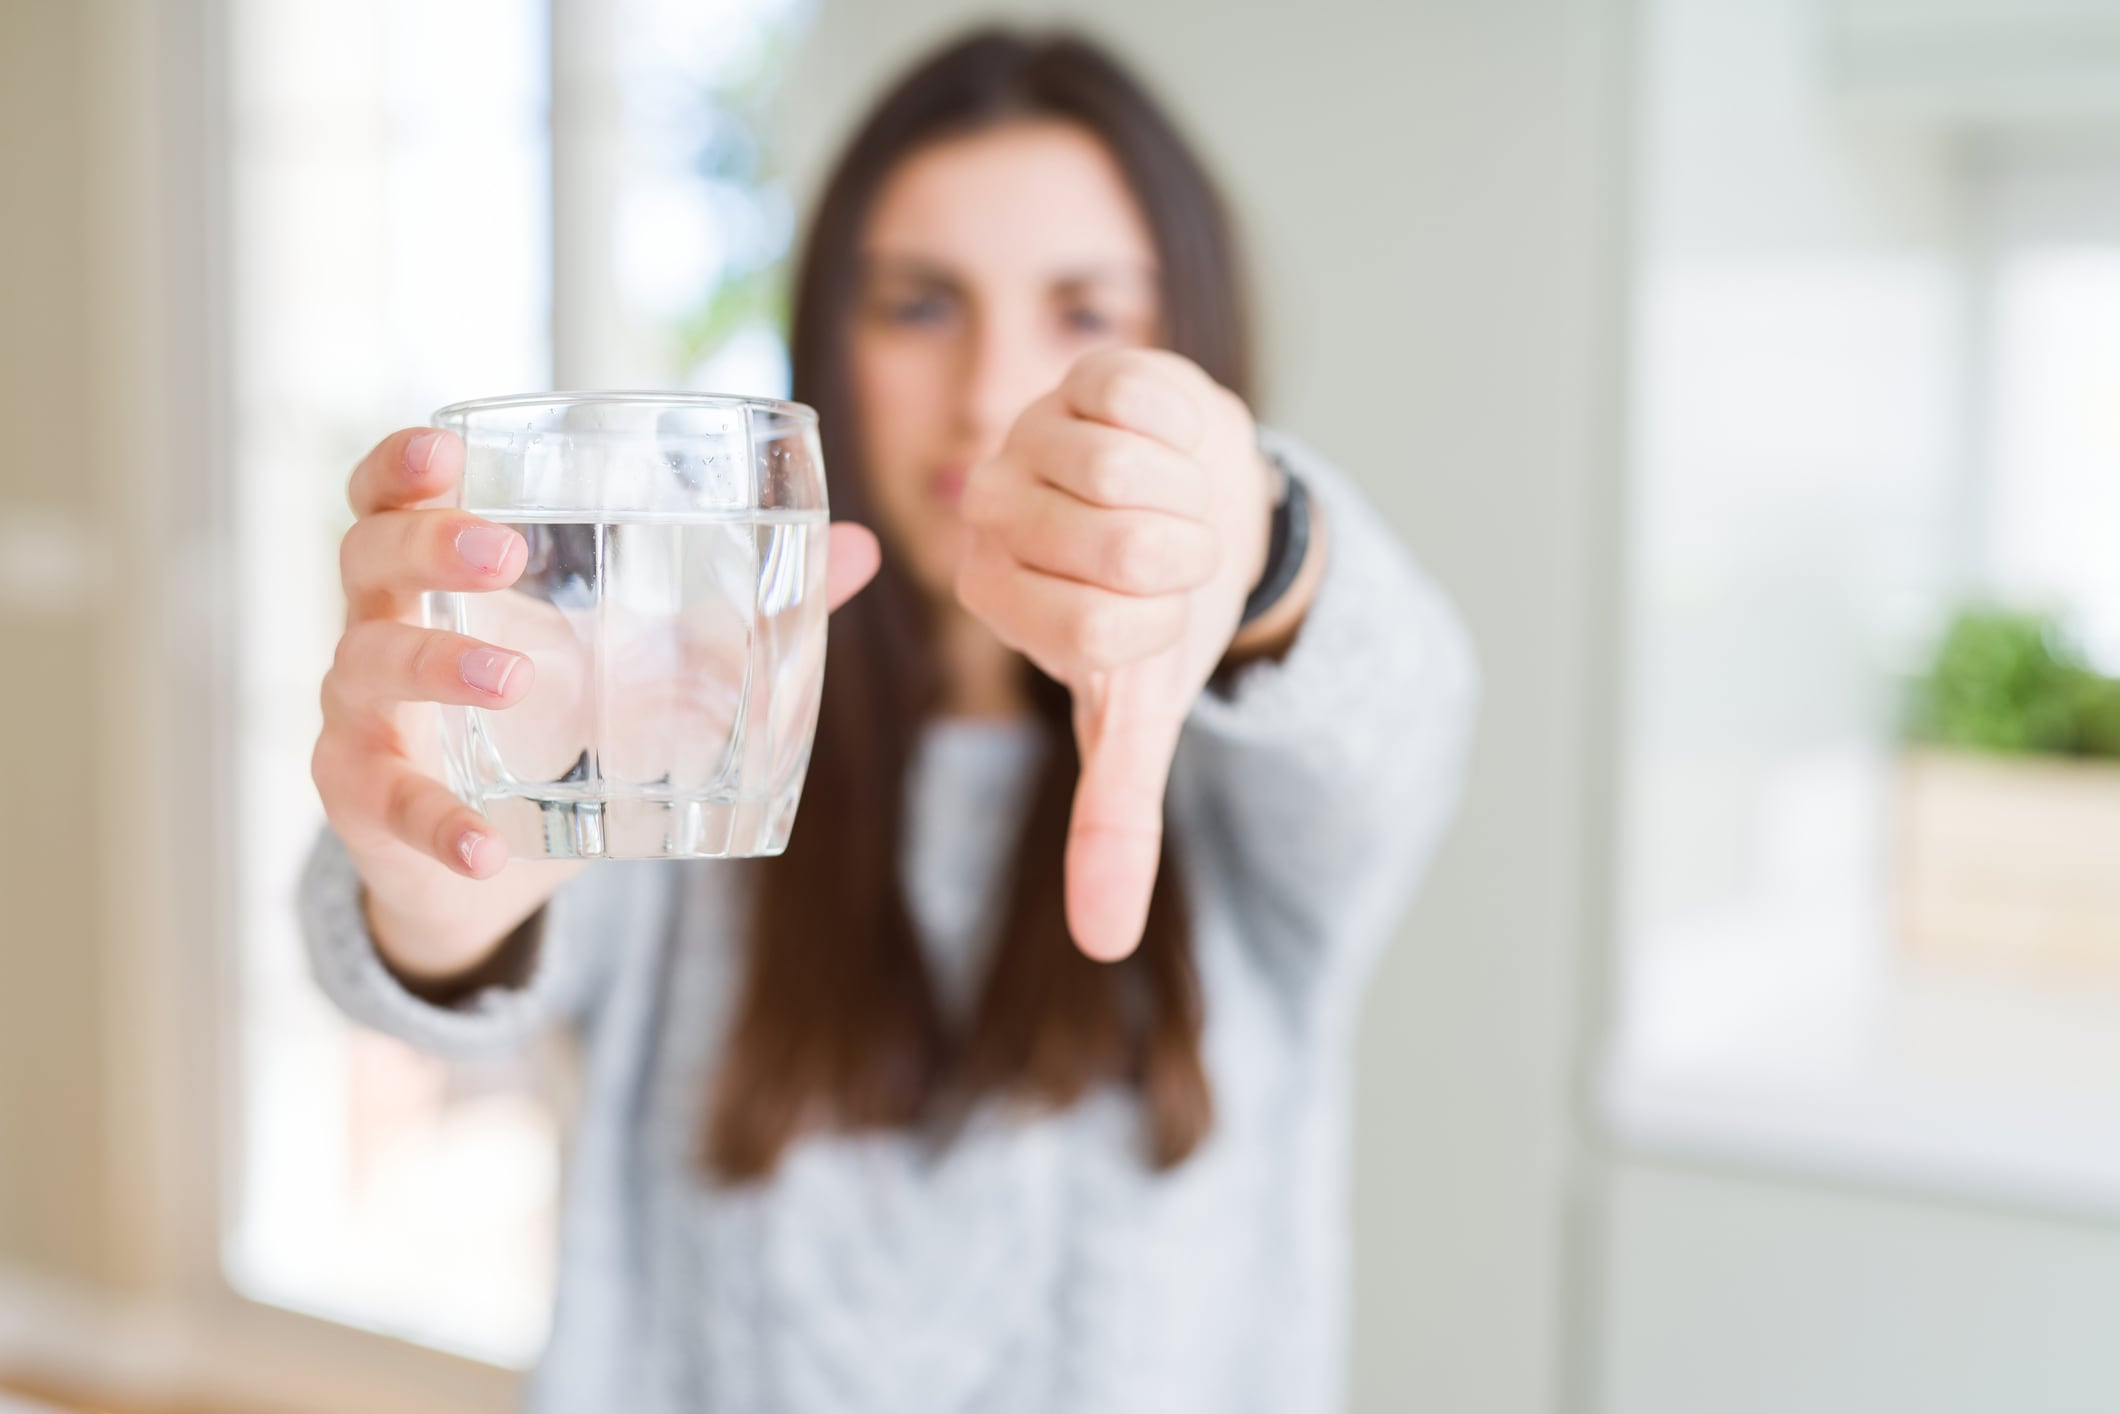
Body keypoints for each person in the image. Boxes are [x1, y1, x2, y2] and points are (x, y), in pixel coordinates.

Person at [301, 26, 1476, 1414]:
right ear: (826, 345)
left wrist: (1265, 537)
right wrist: (439, 886)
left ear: (1190, 345)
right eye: (919, 306)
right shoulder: (701, 719)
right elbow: (429, 981)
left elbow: (1401, 699)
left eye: (1086, 313)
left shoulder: (1255, 777)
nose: (988, 393)